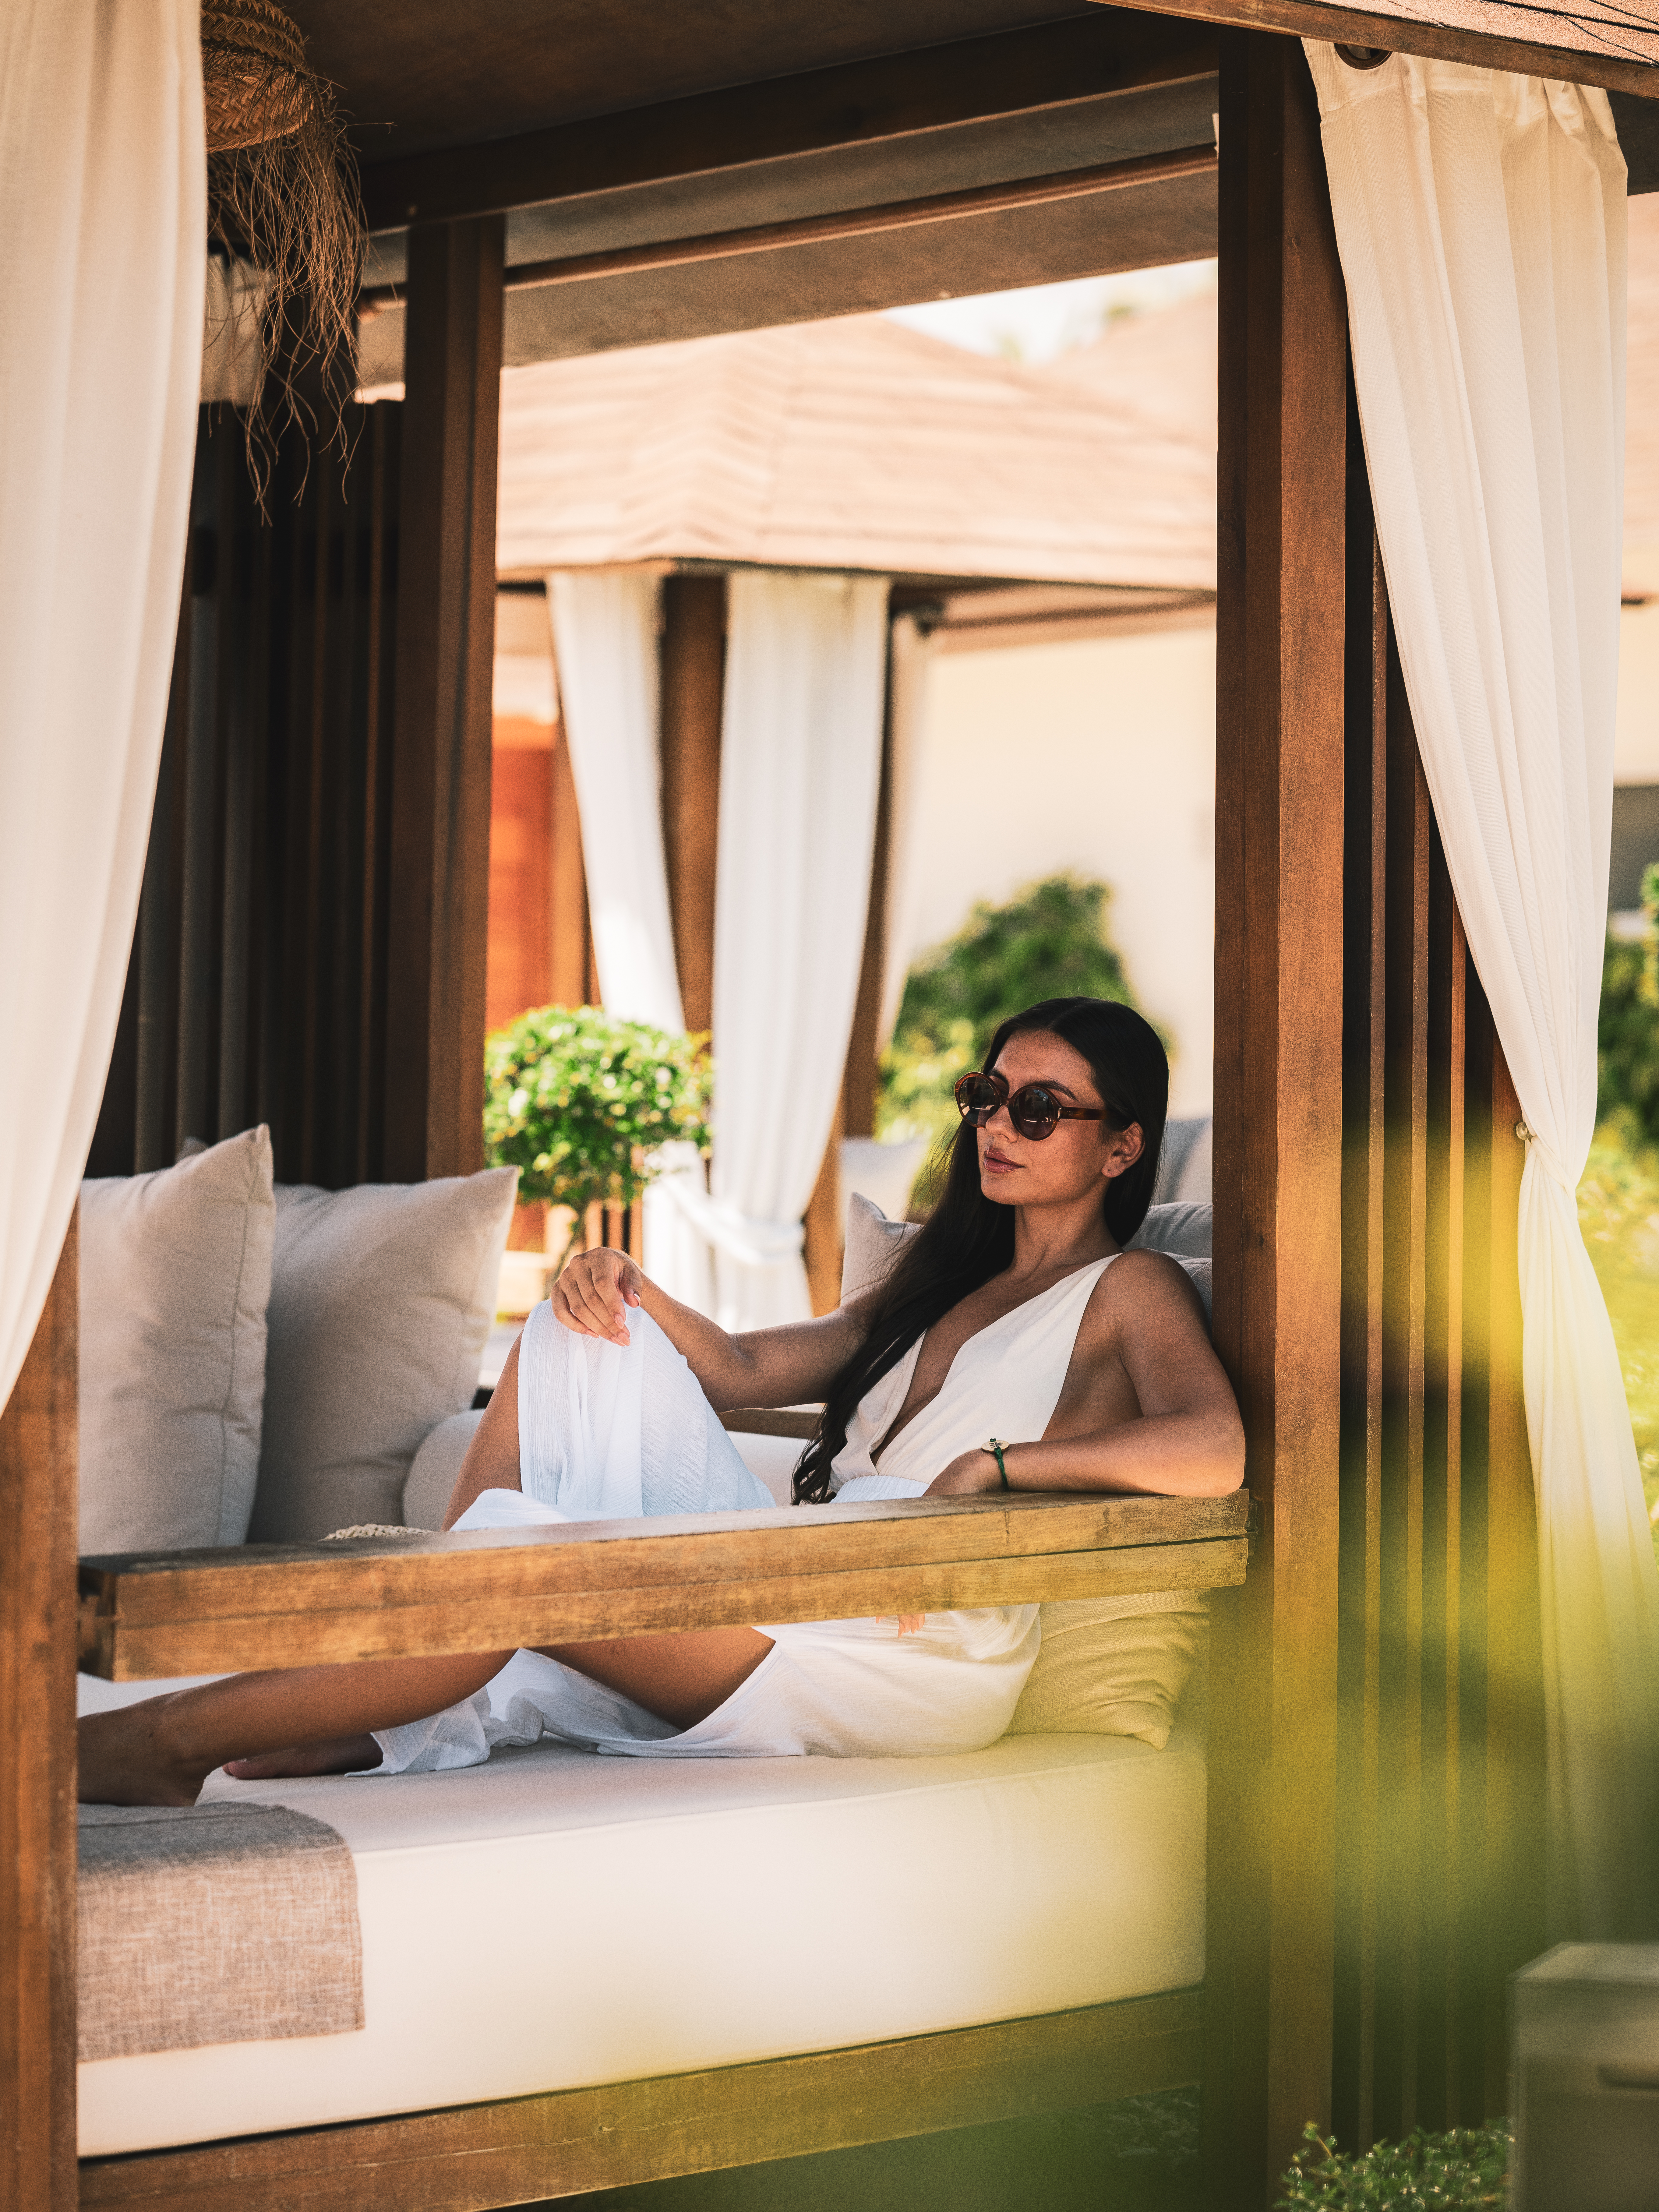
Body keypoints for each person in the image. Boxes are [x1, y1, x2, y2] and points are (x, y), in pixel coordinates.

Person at [79, 996, 1244, 1806]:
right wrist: (627, 1284)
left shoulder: (1127, 1290)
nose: (997, 1125)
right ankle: (416, 1642)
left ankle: (160, 1741)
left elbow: (1213, 1448)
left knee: (526, 1559)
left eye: (1040, 1109)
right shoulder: (936, 1274)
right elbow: (735, 1370)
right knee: (582, 1326)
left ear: (1120, 1145)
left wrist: (995, 1470)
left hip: (922, 1643)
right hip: (813, 1560)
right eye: (988, 1095)